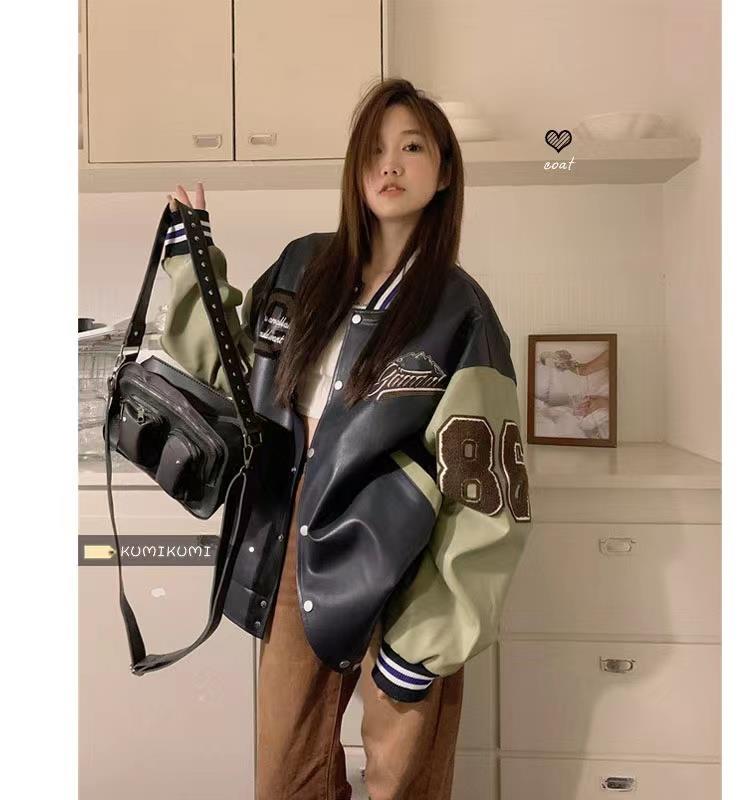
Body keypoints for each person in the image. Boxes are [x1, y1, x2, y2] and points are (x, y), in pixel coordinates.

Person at [160, 77, 531, 800]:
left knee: (405, 782)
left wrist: (436, 631)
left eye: (412, 147)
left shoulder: (461, 311)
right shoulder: (304, 267)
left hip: (412, 563)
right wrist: (191, 257)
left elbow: (486, 488)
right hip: (296, 544)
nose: (389, 165)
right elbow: (231, 369)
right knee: (286, 777)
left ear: (444, 172)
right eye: (374, 150)